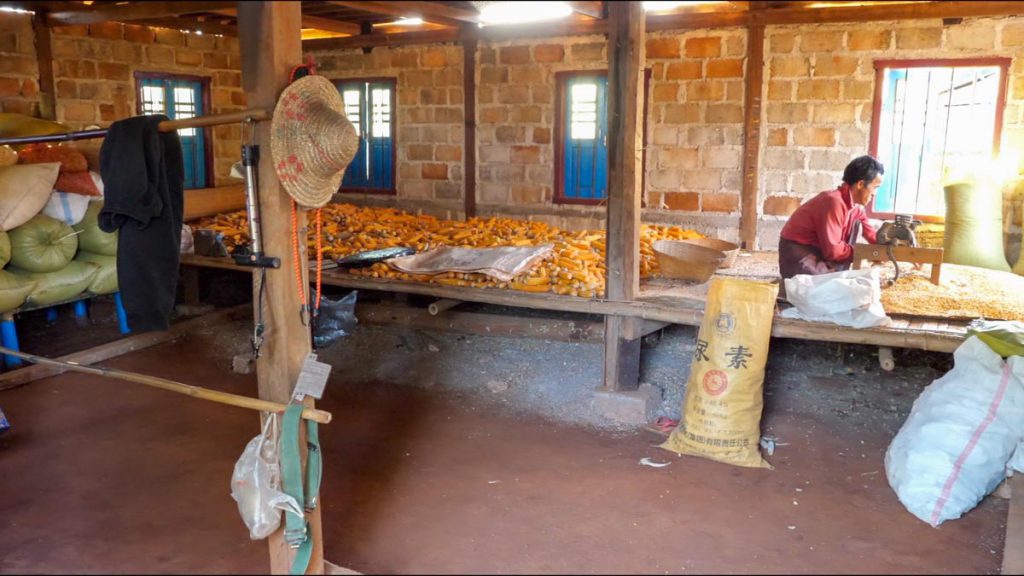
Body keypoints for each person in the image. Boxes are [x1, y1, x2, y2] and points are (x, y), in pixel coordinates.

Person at [778, 155, 884, 279]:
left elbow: (872, 236)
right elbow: (833, 251)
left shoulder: (856, 207)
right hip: (800, 253)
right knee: (831, 288)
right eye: (875, 188)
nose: (875, 194)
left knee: (844, 282)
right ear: (860, 184)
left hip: (821, 254)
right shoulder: (833, 202)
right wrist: (867, 253)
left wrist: (887, 247)